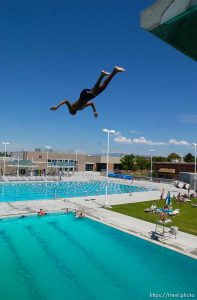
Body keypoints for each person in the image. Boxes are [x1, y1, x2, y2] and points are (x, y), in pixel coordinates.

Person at [50, 66, 126, 118]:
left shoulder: (73, 108)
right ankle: (115, 71)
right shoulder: (80, 109)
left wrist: (57, 106)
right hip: (89, 96)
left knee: (93, 92)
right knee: (103, 87)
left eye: (70, 113)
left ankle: (102, 75)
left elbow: (66, 101)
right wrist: (95, 111)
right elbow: (91, 103)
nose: (71, 113)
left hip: (84, 94)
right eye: (71, 114)